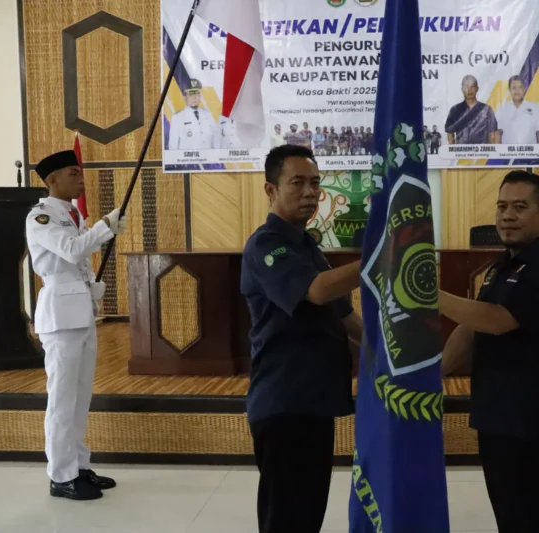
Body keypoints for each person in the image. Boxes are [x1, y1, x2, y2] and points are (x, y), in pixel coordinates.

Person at [439, 171, 539, 532]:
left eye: (519, 207)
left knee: (520, 511)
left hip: (526, 412)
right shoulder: (504, 264)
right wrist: (435, 372)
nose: (507, 216)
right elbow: (472, 325)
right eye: (501, 206)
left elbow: (497, 320)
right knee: (507, 507)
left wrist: (429, 295)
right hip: (495, 406)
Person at [240, 144, 364, 533]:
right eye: (297, 183)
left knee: (308, 516)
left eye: (315, 183)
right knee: (286, 520)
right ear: (270, 190)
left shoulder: (308, 246)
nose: (310, 192)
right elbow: (317, 291)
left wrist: (387, 353)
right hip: (284, 403)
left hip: (315, 400)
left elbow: (343, 316)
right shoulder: (266, 244)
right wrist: (379, 260)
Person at [26, 151, 127, 501]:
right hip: (60, 316)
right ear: (52, 180)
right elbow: (70, 251)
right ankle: (61, 476)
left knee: (80, 397)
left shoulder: (73, 215)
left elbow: (79, 263)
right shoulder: (40, 217)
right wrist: (104, 227)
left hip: (81, 312)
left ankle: (79, 466)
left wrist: (91, 285)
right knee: (62, 399)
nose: (80, 179)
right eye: (73, 173)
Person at [494, 76, 539, 145]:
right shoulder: (502, 108)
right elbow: (497, 132)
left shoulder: (534, 107)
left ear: (524, 89)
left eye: (520, 87)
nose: (517, 91)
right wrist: (498, 149)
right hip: (508, 151)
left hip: (530, 150)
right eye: (514, 88)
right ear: (509, 90)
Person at [445, 75, 498, 145]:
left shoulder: (486, 110)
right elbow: (450, 134)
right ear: (462, 89)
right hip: (461, 150)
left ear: (477, 88)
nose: (469, 90)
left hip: (482, 150)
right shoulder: (455, 110)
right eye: (466, 86)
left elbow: (493, 134)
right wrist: (452, 149)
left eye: (472, 86)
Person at [167, 79, 217, 150]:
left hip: (208, 156)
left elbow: (215, 141)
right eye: (190, 94)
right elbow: (173, 147)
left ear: (200, 96)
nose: (194, 97)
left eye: (196, 94)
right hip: (188, 157)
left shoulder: (208, 115)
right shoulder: (177, 118)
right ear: (185, 97)